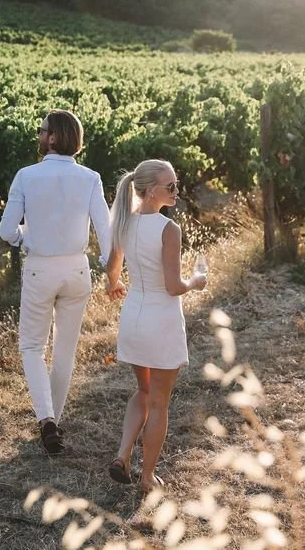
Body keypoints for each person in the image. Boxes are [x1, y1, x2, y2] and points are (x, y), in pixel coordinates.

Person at [0, 109, 112, 455]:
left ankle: (47, 419)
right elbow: (105, 230)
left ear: (52, 137)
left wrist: (25, 238)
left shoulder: (26, 176)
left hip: (40, 268)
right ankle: (53, 423)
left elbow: (6, 231)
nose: (38, 134)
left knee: (32, 347)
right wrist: (110, 269)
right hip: (78, 270)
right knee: (65, 349)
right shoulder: (90, 178)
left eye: (41, 130)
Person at [103, 159, 207, 492]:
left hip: (134, 317)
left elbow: (111, 267)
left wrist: (113, 284)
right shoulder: (168, 229)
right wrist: (197, 281)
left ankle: (122, 455)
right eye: (171, 186)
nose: (177, 191)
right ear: (150, 191)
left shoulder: (124, 223)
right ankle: (147, 478)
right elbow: (174, 286)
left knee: (144, 391)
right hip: (161, 321)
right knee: (159, 401)